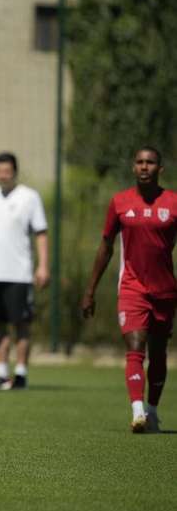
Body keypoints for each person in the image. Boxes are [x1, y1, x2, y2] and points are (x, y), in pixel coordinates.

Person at [81, 147, 176, 433]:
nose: (144, 166)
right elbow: (106, 247)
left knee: (158, 355)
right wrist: (90, 290)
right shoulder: (120, 203)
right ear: (133, 168)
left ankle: (153, 411)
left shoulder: (172, 203)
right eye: (139, 162)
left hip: (165, 291)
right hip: (132, 287)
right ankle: (138, 412)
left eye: (150, 162)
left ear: (160, 169)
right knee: (135, 347)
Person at [0, 152, 49, 390]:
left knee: (21, 324)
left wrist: (43, 266)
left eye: (7, 171)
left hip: (19, 272)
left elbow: (41, 233)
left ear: (15, 172)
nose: (3, 175)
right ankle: (1, 371)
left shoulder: (29, 197)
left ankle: (21, 372)